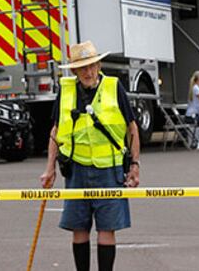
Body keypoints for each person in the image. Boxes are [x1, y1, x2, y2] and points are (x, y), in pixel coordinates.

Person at [40, 41, 141, 271]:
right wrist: (50, 169)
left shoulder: (114, 87)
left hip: (110, 169)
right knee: (79, 228)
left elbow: (131, 128)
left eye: (92, 66)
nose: (88, 72)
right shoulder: (66, 91)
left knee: (107, 229)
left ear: (99, 65)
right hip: (76, 169)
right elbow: (56, 132)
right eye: (82, 67)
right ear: (74, 70)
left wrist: (134, 165)